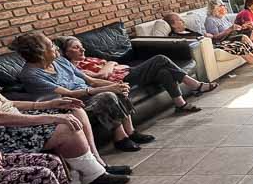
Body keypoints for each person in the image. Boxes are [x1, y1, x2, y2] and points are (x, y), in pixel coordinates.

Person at [0, 32, 128, 184]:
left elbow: (5, 104)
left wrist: (48, 105)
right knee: (64, 126)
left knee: (72, 110)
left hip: (2, 123)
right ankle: (93, 176)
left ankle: (97, 166)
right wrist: (50, 118)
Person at [14, 33, 154, 153]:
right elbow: (69, 93)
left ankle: (131, 132)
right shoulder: (31, 74)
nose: (56, 48)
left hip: (88, 93)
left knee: (116, 91)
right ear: (40, 52)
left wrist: (117, 85)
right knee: (107, 95)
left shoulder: (60, 61)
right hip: (70, 104)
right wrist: (108, 89)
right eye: (51, 45)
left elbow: (91, 80)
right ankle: (120, 138)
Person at [59, 36, 214, 115]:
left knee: (164, 72)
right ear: (67, 52)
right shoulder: (75, 68)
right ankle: (194, 84)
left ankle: (180, 104)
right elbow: (103, 75)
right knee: (160, 59)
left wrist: (111, 64)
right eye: (76, 48)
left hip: (127, 71)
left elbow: (111, 64)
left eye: (81, 46)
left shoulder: (90, 59)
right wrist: (110, 64)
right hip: (122, 79)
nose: (82, 49)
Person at [203, 0, 253, 76]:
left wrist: (241, 27)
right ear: (215, 8)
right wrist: (231, 28)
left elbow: (232, 29)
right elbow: (216, 38)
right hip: (223, 41)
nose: (225, 7)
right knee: (243, 38)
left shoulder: (223, 17)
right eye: (222, 5)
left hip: (232, 36)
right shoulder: (210, 20)